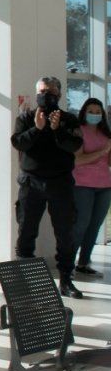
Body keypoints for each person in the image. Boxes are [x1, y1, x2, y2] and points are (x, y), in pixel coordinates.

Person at [12, 77, 85, 298]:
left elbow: (75, 145)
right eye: (42, 91)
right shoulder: (26, 117)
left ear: (59, 95)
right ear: (37, 93)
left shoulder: (69, 119)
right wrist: (37, 129)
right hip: (31, 183)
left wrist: (56, 130)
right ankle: (26, 283)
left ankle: (66, 280)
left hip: (60, 184)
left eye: (51, 92)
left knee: (65, 233)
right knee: (26, 231)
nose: (46, 96)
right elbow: (18, 142)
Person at [72, 98, 111, 275]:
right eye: (91, 111)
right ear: (84, 112)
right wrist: (102, 151)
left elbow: (108, 162)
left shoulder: (106, 134)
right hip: (82, 184)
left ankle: (83, 263)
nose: (94, 115)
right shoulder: (79, 131)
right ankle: (67, 264)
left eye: (98, 112)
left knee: (95, 225)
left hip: (104, 185)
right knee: (81, 224)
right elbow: (77, 160)